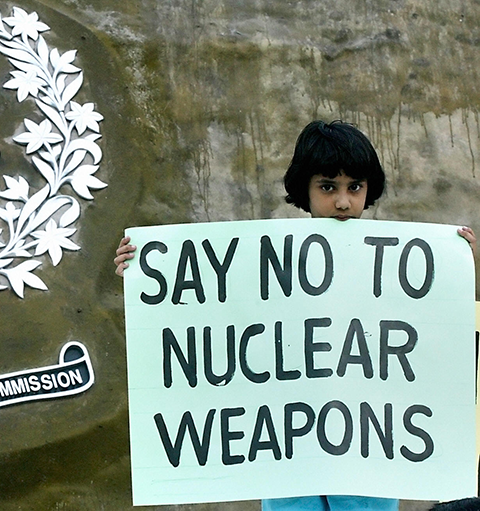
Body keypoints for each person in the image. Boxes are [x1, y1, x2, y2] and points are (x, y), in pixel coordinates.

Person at [113, 120, 476, 511]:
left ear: (369, 190)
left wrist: (460, 268)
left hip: (368, 467)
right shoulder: (264, 264)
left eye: (355, 187)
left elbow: (436, 343)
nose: (342, 202)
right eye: (327, 187)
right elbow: (209, 321)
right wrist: (145, 277)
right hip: (290, 468)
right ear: (304, 189)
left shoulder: (394, 268)